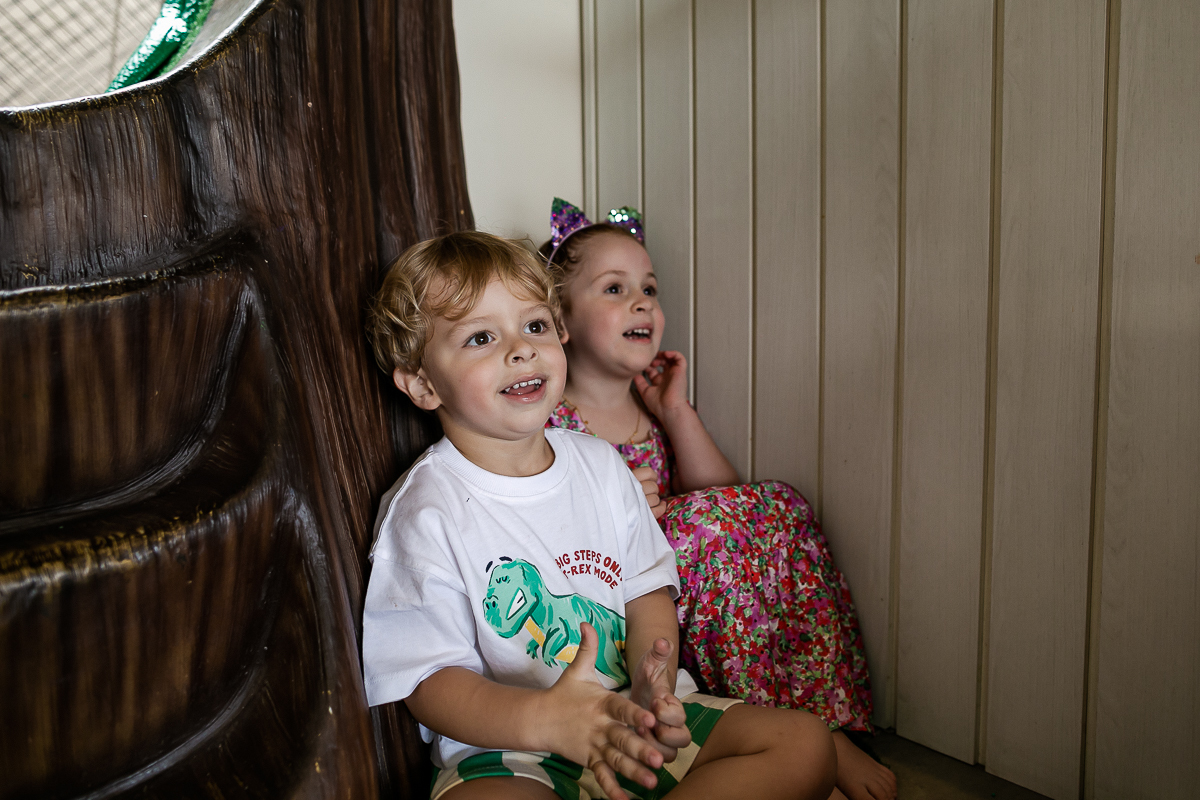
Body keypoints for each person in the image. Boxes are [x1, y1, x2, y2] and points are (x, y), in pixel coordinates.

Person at [361, 230, 842, 800]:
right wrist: (547, 721)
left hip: (636, 716)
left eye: (535, 326)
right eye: (481, 337)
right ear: (421, 383)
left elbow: (646, 591)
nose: (521, 348)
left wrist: (654, 683)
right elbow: (427, 679)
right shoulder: (424, 509)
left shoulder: (600, 465)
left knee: (805, 744)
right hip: (515, 748)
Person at [540, 199, 897, 800]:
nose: (643, 302)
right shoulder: (554, 420)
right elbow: (549, 529)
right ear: (561, 318)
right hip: (620, 589)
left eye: (649, 288)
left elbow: (732, 498)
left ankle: (811, 717)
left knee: (780, 504)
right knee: (700, 524)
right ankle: (791, 726)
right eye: (615, 288)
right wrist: (626, 509)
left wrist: (676, 413)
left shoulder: (646, 413)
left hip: (696, 591)